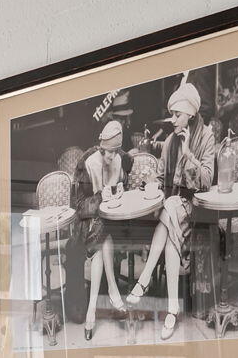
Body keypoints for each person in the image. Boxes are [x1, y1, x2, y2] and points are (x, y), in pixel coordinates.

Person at [125, 80, 216, 340]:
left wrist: (187, 153)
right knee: (170, 215)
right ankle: (172, 309)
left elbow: (207, 181)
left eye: (177, 114)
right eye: (172, 114)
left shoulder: (207, 137)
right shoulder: (169, 140)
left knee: (170, 209)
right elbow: (161, 173)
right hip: (174, 206)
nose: (172, 119)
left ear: (191, 112)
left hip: (197, 205)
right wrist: (151, 181)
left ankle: (143, 280)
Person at [66, 119, 128, 340]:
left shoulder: (119, 159)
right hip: (87, 222)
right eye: (108, 152)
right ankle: (112, 292)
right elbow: (79, 206)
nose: (111, 156)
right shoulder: (89, 163)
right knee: (103, 238)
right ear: (101, 146)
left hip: (110, 218)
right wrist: (102, 196)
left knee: (105, 234)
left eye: (115, 151)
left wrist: (121, 187)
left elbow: (121, 182)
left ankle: (94, 308)